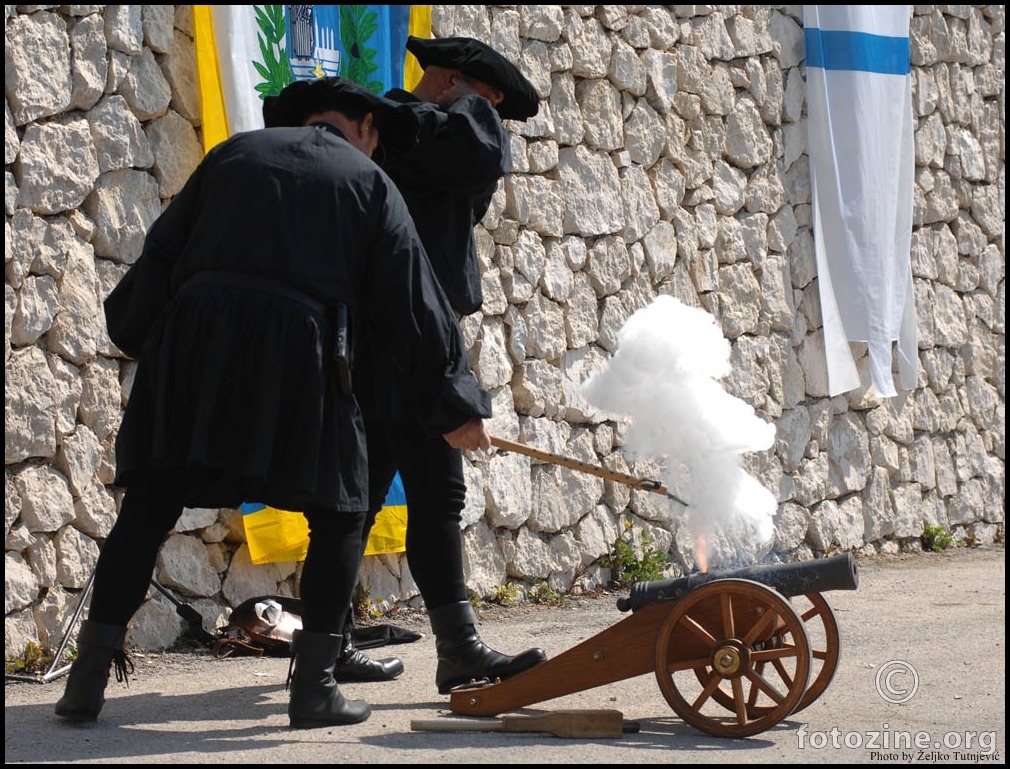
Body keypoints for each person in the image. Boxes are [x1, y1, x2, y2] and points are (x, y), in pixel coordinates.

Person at [54, 76, 493, 730]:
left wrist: (144, 337)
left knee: (148, 507)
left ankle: (85, 682)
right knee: (342, 512)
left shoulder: (235, 155)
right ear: (365, 128)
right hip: (299, 355)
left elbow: (162, 253)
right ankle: (314, 688)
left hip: (193, 344)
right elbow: (415, 300)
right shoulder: (370, 182)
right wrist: (456, 402)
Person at [335, 36, 547, 695]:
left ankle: (348, 641)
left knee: (407, 491)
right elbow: (476, 147)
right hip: (394, 338)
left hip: (408, 334)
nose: (490, 122)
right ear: (453, 82)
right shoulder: (401, 128)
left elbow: (469, 166)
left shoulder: (417, 136)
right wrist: (471, 113)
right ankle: (373, 646)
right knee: (384, 493)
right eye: (485, 102)